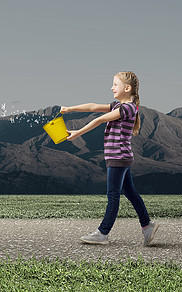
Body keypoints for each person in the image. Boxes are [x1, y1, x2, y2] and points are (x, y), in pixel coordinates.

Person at [60, 71, 159, 246]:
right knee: (130, 192)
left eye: (115, 84)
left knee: (113, 195)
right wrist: (70, 108)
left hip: (118, 157)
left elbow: (99, 119)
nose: (111, 87)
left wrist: (77, 133)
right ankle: (147, 225)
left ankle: (103, 233)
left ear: (127, 88)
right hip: (122, 157)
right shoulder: (117, 105)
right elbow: (92, 107)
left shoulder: (127, 109)